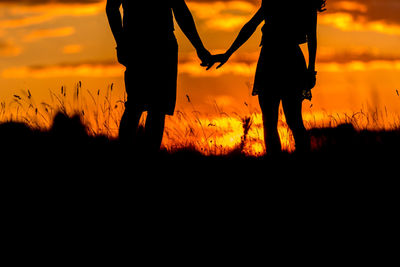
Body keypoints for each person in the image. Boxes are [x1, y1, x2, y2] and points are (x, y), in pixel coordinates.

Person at [207, 0, 326, 155]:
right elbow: (251, 25)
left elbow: (312, 37)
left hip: (280, 60)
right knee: (279, 121)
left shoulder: (304, 3)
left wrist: (311, 69)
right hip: (280, 61)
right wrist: (228, 53)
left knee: (288, 120)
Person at [106, 0, 211, 151]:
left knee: (154, 108)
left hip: (159, 44)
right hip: (142, 44)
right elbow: (111, 7)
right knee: (138, 105)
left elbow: (180, 10)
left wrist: (199, 48)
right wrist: (121, 43)